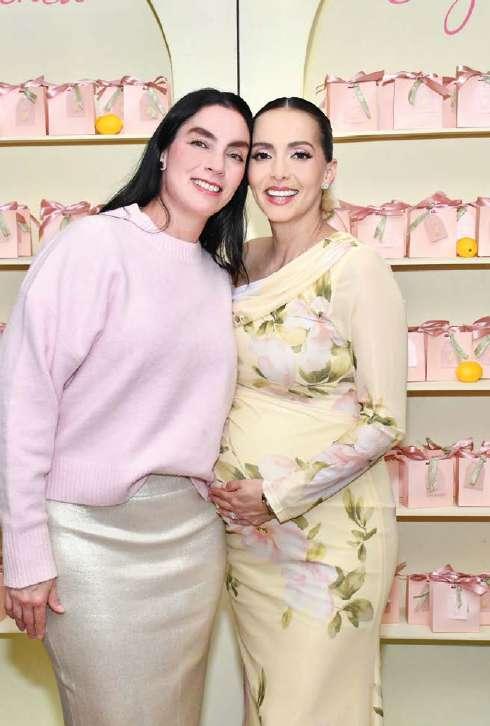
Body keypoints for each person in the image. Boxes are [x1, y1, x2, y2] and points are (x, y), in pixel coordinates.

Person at [0, 88, 252, 726]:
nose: (216, 165)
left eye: (236, 153)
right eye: (200, 142)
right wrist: (25, 550)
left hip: (190, 541)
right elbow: (23, 403)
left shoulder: (218, 277)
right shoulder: (92, 245)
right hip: (87, 537)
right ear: (164, 149)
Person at [209, 96, 407, 726]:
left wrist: (277, 495)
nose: (278, 172)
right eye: (262, 155)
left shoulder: (356, 268)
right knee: (269, 707)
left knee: (314, 709)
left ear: (328, 170)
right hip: (247, 540)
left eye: (299, 154)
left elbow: (385, 420)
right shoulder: (238, 263)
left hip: (332, 534)